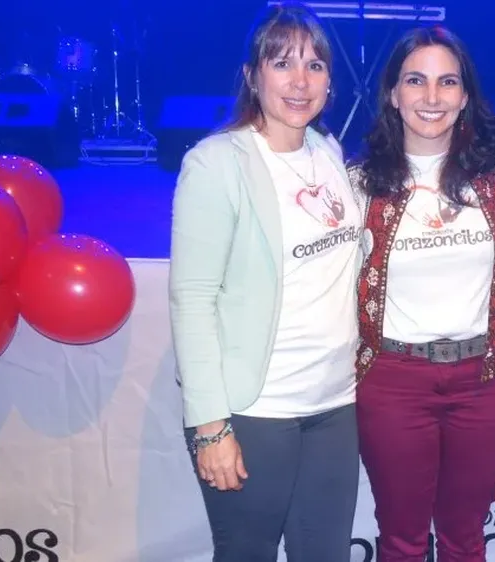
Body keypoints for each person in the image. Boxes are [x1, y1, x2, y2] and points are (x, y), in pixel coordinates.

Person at [168, 3, 363, 560]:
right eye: (283, 64)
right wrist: (210, 428)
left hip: (334, 405)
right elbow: (192, 300)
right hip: (256, 411)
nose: (300, 82)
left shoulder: (328, 152)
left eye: (315, 65)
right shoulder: (216, 164)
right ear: (254, 76)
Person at [349, 25, 495, 562]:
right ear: (393, 95)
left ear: (465, 95)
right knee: (399, 540)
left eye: (448, 82)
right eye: (415, 81)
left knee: (465, 539)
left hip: (482, 381)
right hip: (394, 381)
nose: (431, 97)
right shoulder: (358, 184)